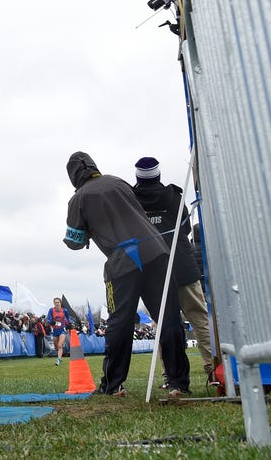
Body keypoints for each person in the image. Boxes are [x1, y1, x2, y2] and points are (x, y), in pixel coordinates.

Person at [63, 151, 190, 398]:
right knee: (168, 317)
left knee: (119, 322)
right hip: (156, 252)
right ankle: (179, 383)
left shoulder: (78, 199)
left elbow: (74, 241)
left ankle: (113, 385)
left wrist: (88, 230)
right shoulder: (118, 181)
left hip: (123, 261)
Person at [132, 156, 217, 380]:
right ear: (158, 175)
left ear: (138, 178)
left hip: (152, 270)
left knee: (163, 324)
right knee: (199, 318)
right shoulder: (174, 197)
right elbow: (186, 228)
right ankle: (214, 368)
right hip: (182, 266)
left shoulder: (131, 200)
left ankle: (169, 372)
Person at [47, 297, 72, 365]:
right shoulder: (51, 310)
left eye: (58, 302)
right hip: (55, 330)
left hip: (62, 329)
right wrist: (51, 322)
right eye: (55, 302)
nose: (56, 304)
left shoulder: (64, 310)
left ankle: (59, 360)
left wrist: (70, 324)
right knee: (56, 347)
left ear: (60, 303)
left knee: (60, 345)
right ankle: (59, 355)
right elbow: (48, 319)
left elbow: (68, 318)